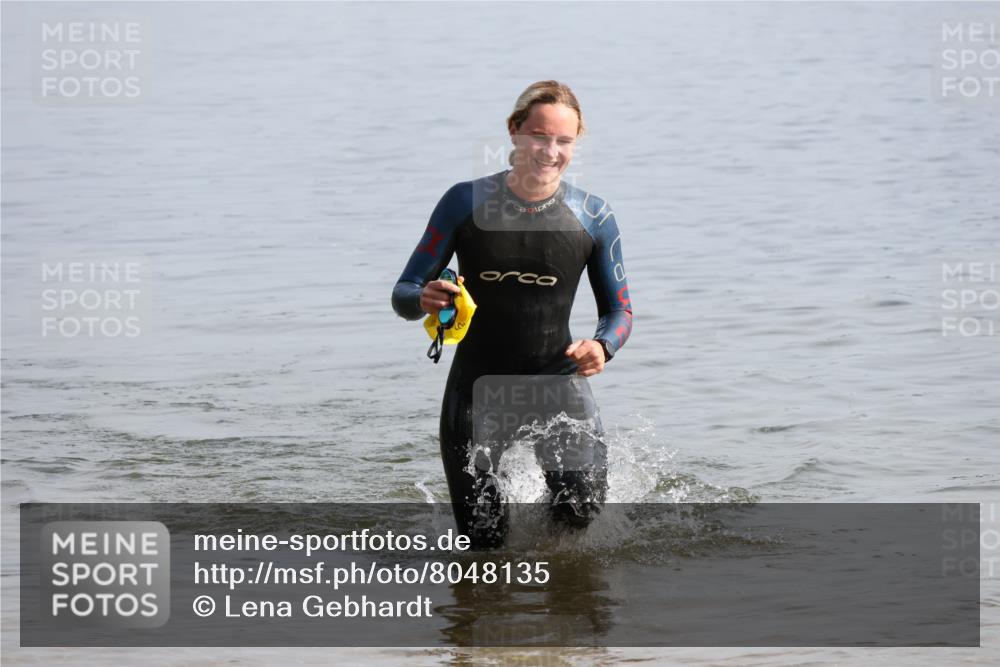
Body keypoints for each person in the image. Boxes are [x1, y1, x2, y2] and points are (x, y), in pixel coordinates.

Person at [392, 81, 632, 549]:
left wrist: (602, 346)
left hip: (558, 385)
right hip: (477, 390)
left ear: (575, 142)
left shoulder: (593, 215)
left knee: (579, 514)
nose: (550, 150)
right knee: (483, 539)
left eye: (564, 141)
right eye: (539, 137)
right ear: (514, 131)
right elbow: (403, 293)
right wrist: (425, 297)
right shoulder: (465, 202)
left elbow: (619, 311)